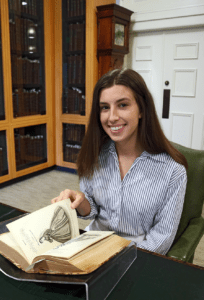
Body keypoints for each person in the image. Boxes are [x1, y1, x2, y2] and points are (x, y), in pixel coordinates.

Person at [52, 68, 188, 255]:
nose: (112, 117)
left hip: (136, 255)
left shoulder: (173, 171)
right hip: (93, 245)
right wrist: (81, 201)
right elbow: (93, 212)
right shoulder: (94, 155)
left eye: (123, 105)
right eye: (105, 107)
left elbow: (162, 238)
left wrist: (119, 259)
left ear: (141, 109)